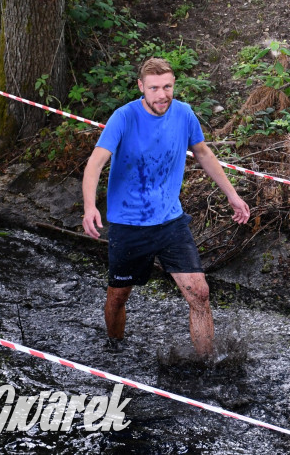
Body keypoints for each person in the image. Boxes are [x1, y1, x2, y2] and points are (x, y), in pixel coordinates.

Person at [81, 57, 250, 357]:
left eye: (168, 87)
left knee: (200, 294)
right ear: (141, 87)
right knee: (118, 297)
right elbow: (95, 163)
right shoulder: (123, 117)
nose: (162, 95)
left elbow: (203, 153)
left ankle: (206, 366)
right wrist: (90, 206)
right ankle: (115, 349)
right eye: (154, 88)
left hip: (170, 222)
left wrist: (232, 195)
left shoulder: (184, 113)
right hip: (129, 224)